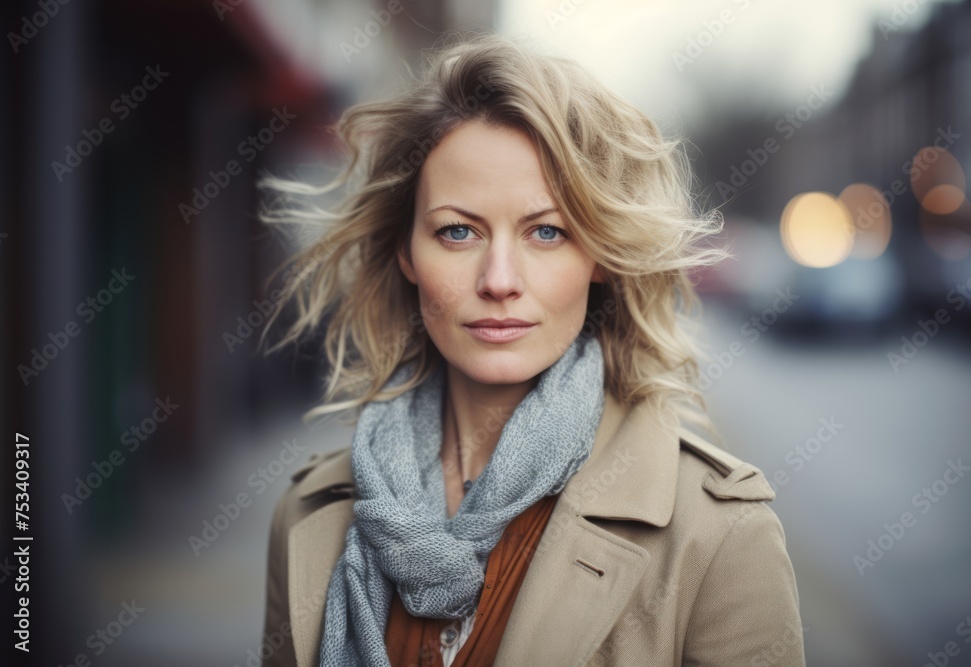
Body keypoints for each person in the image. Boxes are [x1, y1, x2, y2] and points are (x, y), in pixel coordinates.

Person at [257, 32, 805, 667]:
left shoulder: (720, 536)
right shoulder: (307, 515)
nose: (499, 281)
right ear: (407, 252)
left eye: (546, 232)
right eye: (457, 231)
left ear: (599, 257)